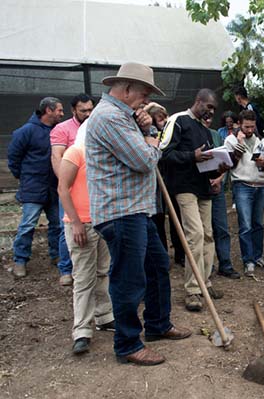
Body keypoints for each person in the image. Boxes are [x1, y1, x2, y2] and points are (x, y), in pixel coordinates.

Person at [86, 62, 191, 366]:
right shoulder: (109, 118)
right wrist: (151, 140)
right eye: (144, 93)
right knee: (129, 279)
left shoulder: (125, 116)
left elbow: (146, 149)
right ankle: (128, 343)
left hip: (136, 209)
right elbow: (145, 160)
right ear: (127, 88)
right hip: (120, 211)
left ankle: (158, 324)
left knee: (157, 266)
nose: (146, 100)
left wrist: (149, 130)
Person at [160, 89, 226, 311]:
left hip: (203, 188)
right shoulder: (177, 120)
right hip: (184, 188)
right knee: (195, 235)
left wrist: (219, 170)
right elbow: (164, 154)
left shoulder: (206, 132)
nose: (211, 112)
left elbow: (205, 163)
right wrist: (192, 156)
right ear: (198, 102)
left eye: (213, 109)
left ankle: (204, 282)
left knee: (208, 236)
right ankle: (192, 290)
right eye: (208, 107)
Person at [57, 122, 114, 355]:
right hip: (80, 224)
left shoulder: (101, 155)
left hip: (102, 222)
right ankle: (81, 330)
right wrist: (76, 222)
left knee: (102, 272)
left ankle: (105, 316)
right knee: (83, 278)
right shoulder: (75, 152)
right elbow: (62, 189)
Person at [7, 97, 63, 278]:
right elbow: (14, 159)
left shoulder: (58, 131)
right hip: (33, 187)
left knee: (57, 224)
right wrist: (24, 177)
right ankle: (20, 260)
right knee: (28, 225)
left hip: (53, 187)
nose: (62, 114)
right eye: (59, 111)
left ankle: (56, 256)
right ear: (48, 110)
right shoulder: (26, 131)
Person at [50, 93, 94, 286]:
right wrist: (66, 184)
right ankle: (66, 269)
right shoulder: (63, 129)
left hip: (92, 187)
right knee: (66, 227)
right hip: (70, 185)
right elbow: (57, 157)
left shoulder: (96, 124)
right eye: (83, 110)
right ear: (73, 110)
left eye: (90, 109)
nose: (88, 113)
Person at [224, 109, 264, 277]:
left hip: (259, 185)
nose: (250, 130)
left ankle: (258, 256)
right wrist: (239, 143)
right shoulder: (230, 140)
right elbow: (229, 163)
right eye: (246, 126)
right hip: (242, 185)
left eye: (252, 126)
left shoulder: (261, 141)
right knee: (245, 225)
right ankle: (248, 260)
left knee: (258, 223)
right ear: (239, 124)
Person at [146, 102, 185, 267]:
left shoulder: (172, 133)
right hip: (156, 183)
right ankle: (162, 254)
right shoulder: (150, 136)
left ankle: (180, 254)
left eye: (165, 118)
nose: (164, 122)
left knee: (177, 217)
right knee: (158, 219)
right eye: (160, 119)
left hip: (173, 180)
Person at [203, 114, 240, 280]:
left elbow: (223, 160)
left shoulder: (216, 135)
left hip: (217, 188)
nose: (208, 120)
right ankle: (207, 266)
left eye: (211, 117)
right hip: (200, 189)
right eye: (205, 117)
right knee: (204, 231)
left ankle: (225, 264)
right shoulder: (191, 133)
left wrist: (219, 180)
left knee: (222, 228)